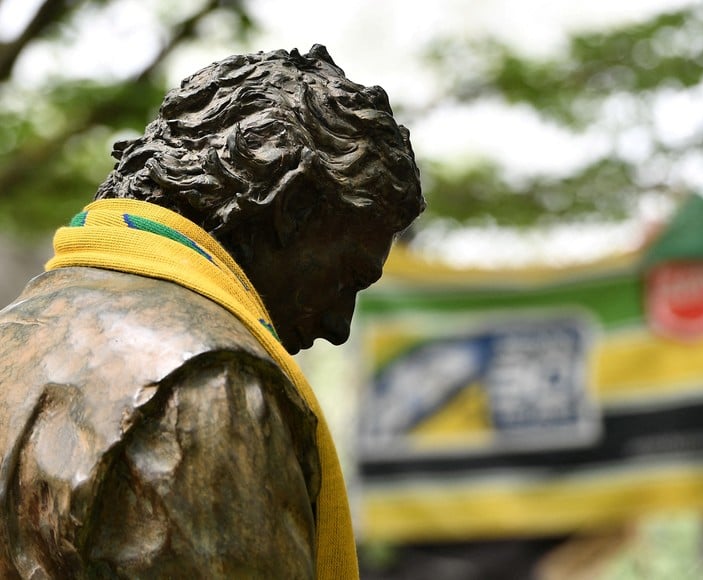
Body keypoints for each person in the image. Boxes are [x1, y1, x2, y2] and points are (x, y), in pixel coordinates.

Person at [0, 45, 424, 579]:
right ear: (292, 210)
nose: (338, 325)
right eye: (347, 278)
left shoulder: (14, 332)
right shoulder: (210, 382)